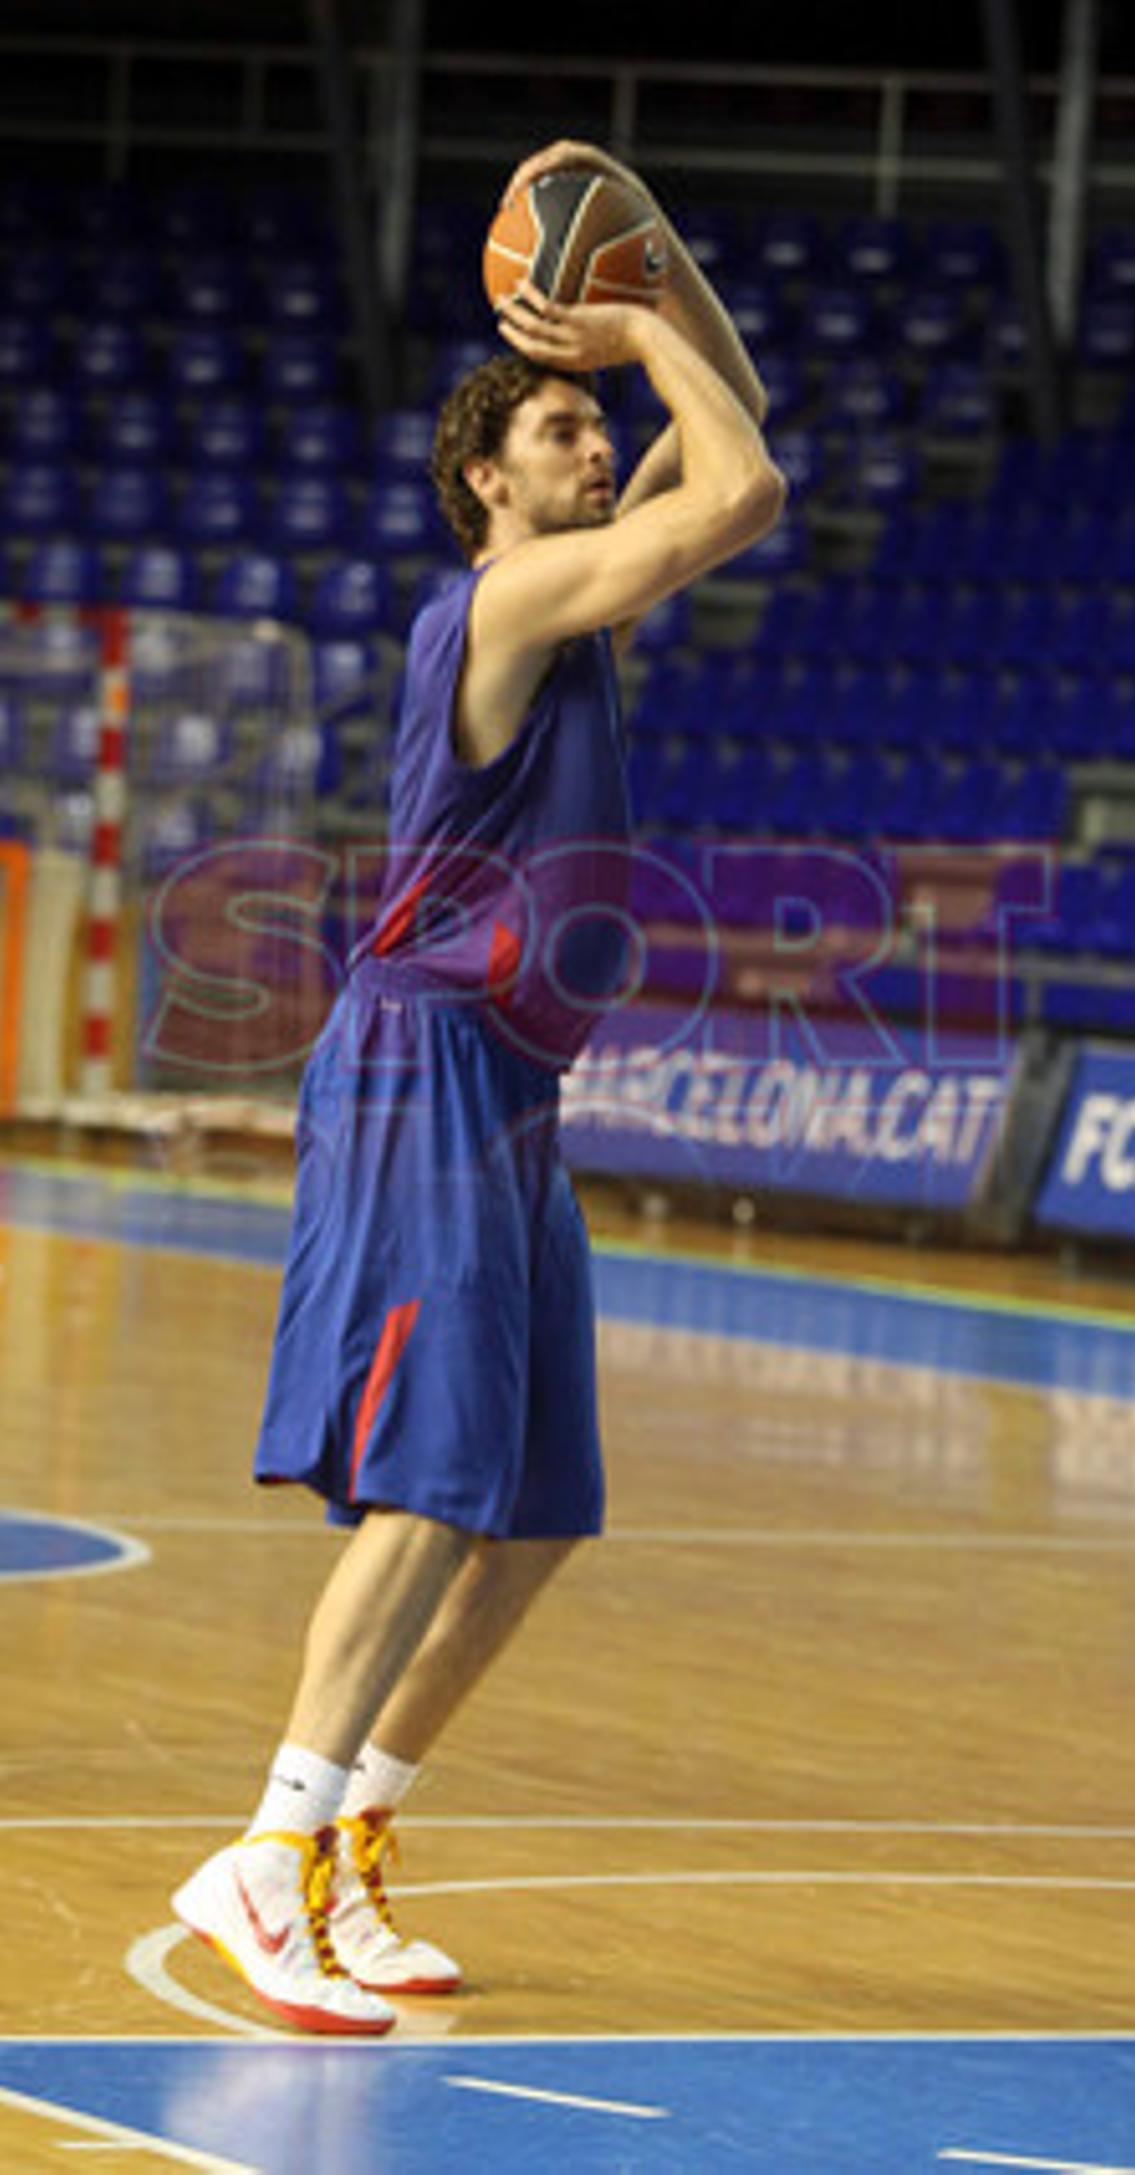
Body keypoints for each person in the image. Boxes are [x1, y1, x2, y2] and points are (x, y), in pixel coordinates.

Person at [171, 139, 784, 2035]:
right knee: (433, 1483)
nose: (597, 445)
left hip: (512, 1094)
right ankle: (260, 1857)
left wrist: (656, 302)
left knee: (534, 1507)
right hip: (418, 1061)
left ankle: (354, 1839)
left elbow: (740, 420)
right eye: (560, 431)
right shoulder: (506, 610)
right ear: (482, 483)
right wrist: (627, 327)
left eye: (600, 429)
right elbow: (748, 485)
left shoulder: (583, 599)